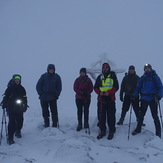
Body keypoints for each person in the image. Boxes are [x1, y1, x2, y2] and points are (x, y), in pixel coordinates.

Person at [132, 64, 163, 138]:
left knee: (155, 116)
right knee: (141, 114)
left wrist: (159, 95)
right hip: (144, 99)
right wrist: (135, 95)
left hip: (153, 99)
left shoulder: (155, 77)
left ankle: (158, 132)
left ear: (151, 69)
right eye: (146, 68)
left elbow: (160, 87)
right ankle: (138, 129)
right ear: (144, 70)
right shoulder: (143, 78)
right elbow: (138, 87)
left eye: (148, 68)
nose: (147, 70)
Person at [94, 63, 119, 140]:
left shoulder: (113, 76)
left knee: (111, 116)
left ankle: (111, 130)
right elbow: (95, 87)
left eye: (106, 68)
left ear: (109, 68)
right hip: (101, 99)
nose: (105, 69)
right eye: (104, 68)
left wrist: (109, 92)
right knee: (101, 116)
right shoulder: (100, 77)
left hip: (110, 99)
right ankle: (103, 130)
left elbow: (116, 87)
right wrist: (99, 92)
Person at [1, 74, 28, 145]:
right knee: (12, 122)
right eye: (16, 79)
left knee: (20, 120)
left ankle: (18, 131)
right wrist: (4, 103)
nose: (17, 80)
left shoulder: (22, 88)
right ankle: (10, 137)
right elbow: (5, 96)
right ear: (13, 79)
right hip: (11, 108)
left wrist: (25, 105)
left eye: (18, 79)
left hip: (19, 108)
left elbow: (25, 97)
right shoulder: (9, 88)